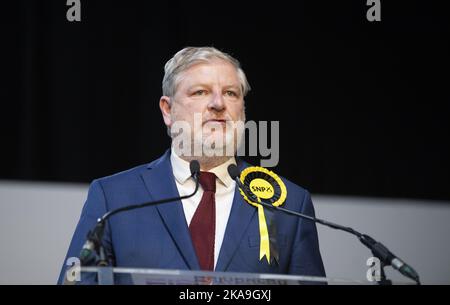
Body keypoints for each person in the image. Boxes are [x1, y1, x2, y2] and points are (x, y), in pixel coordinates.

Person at [58, 47, 325, 284]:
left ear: (242, 110)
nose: (218, 104)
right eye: (201, 92)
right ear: (167, 110)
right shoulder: (113, 197)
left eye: (231, 93)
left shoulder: (290, 203)